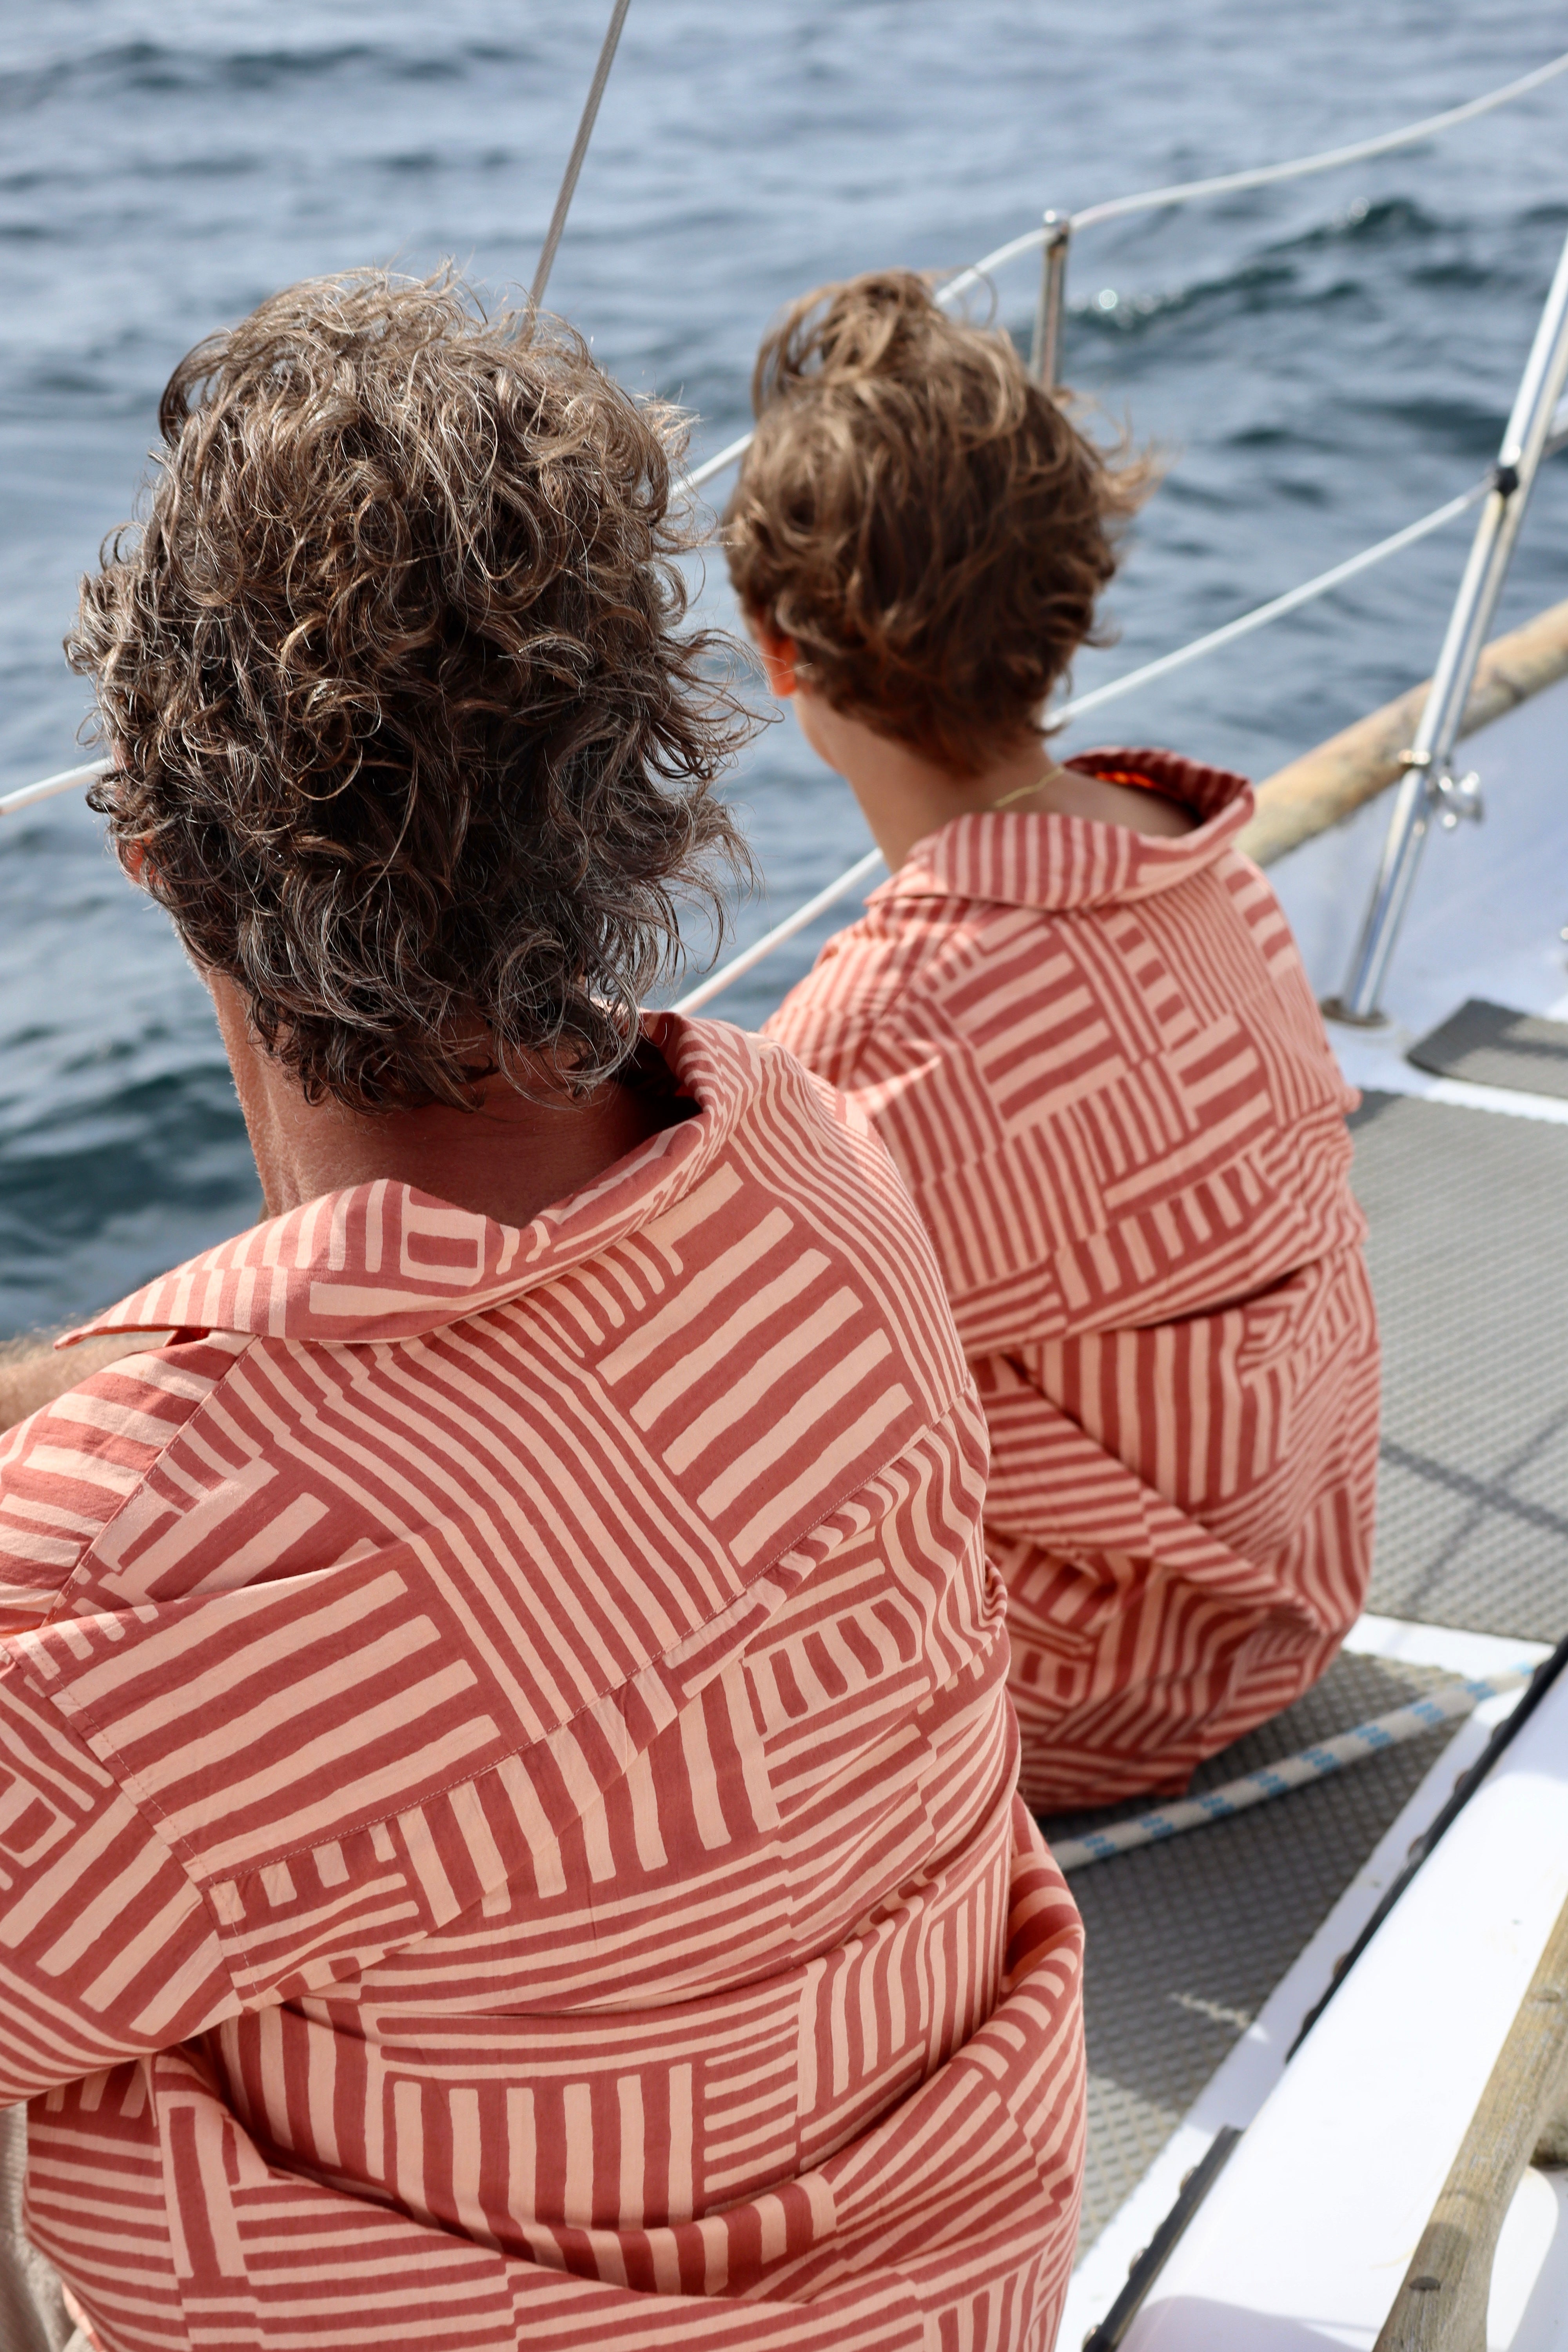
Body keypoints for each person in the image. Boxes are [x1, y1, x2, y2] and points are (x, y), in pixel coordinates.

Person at [0, 270, 1085, 2350]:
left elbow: (299, 1542)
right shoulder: (814, 1157)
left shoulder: (143, 1552)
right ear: (638, 786)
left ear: (153, 858)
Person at [726, 270, 1380, 1813]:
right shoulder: (1204, 863)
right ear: (1065, 609)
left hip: (1085, 1705)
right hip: (1290, 1608)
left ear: (776, 650)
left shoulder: (883, 1033)